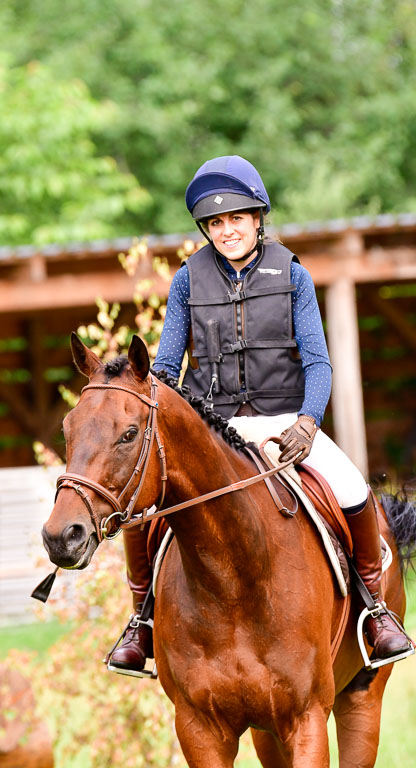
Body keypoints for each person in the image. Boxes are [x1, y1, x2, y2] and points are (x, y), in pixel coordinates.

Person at [109, 155, 411, 672]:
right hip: (214, 429)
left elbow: (318, 362)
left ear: (256, 220)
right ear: (206, 229)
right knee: (143, 511)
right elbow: (164, 367)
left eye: (236, 220)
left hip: (283, 421)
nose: (226, 231)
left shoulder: (293, 274)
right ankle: (142, 622)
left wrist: (308, 422)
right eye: (215, 223)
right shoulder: (186, 281)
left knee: (353, 490)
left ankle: (377, 612)